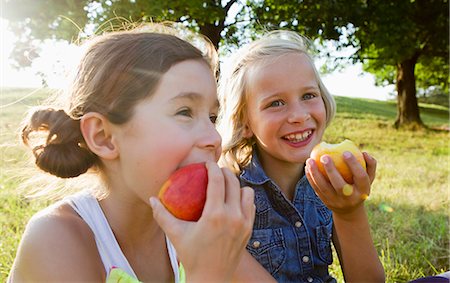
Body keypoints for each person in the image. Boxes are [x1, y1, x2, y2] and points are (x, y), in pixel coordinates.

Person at [8, 23, 273, 282]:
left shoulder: (195, 230)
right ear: (104, 137)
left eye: (213, 117)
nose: (214, 138)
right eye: (184, 112)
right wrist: (209, 273)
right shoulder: (57, 237)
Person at [218, 30, 386, 283]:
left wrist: (350, 212)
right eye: (275, 103)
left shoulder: (331, 182)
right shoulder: (229, 193)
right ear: (245, 123)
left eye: (308, 96)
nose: (298, 115)